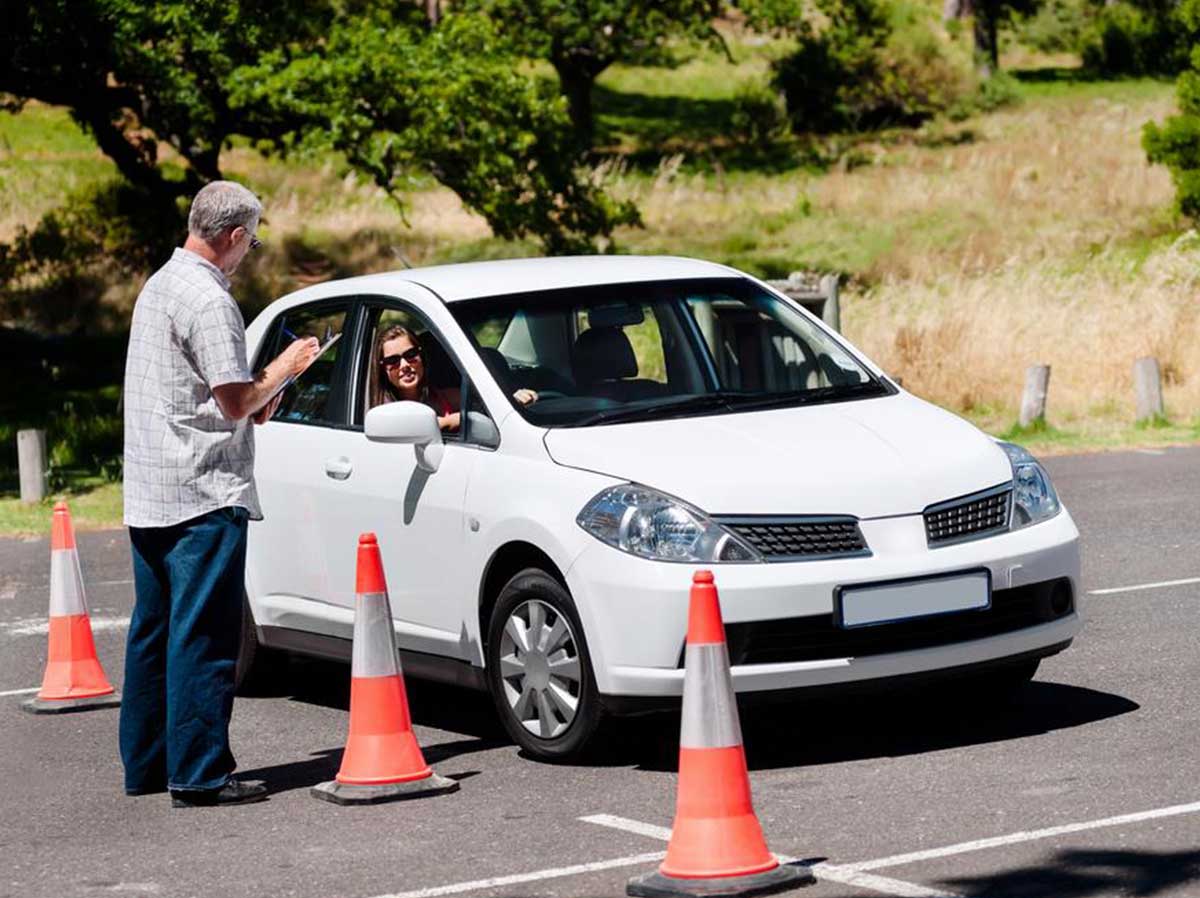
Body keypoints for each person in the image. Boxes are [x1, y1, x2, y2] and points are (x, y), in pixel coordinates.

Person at [120, 181, 320, 808]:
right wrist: (285, 367)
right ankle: (200, 772)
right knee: (204, 637)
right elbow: (235, 400)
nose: (250, 251)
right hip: (202, 488)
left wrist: (260, 395)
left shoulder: (160, 284)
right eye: (251, 240)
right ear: (233, 237)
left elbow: (208, 394)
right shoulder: (210, 301)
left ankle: (148, 764)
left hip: (151, 484)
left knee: (154, 631)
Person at [370, 324, 536, 431]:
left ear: (422, 357)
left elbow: (489, 404)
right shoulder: (383, 409)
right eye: (393, 361)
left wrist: (512, 399)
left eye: (411, 354)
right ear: (382, 368)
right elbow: (433, 425)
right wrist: (458, 419)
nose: (405, 365)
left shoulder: (443, 396)